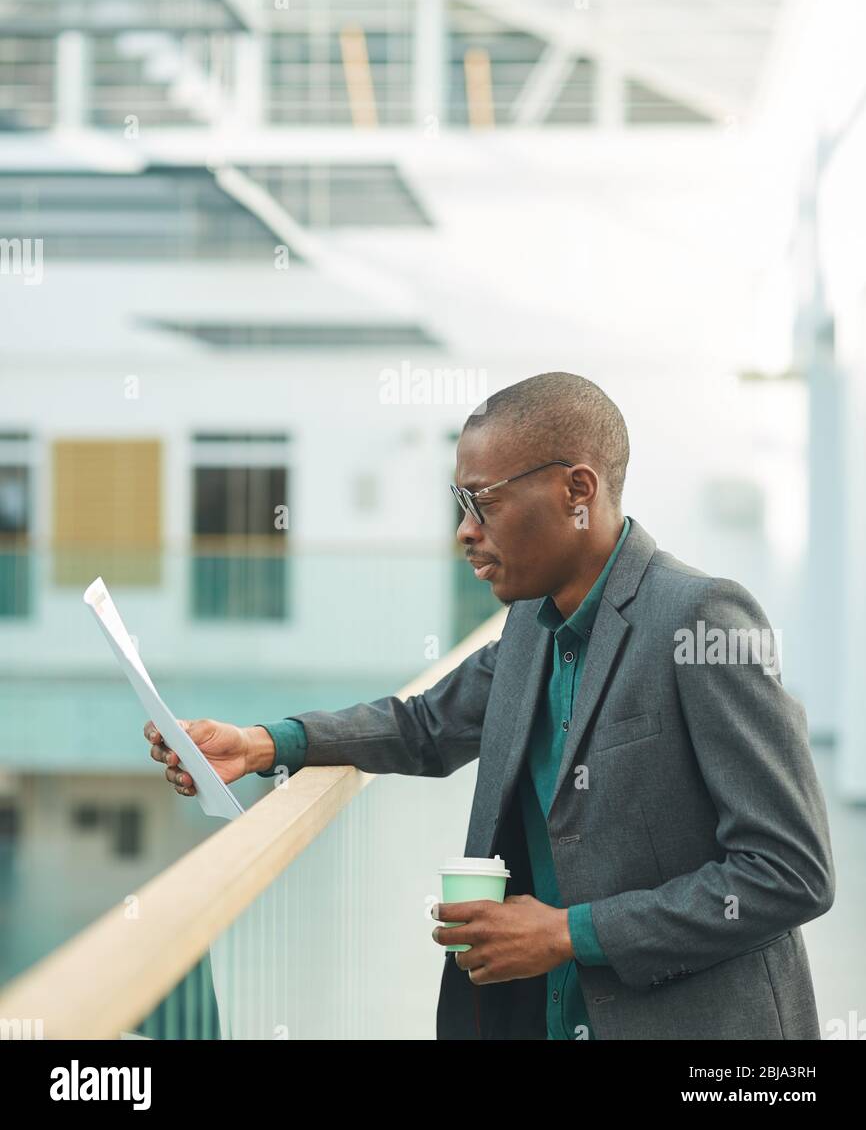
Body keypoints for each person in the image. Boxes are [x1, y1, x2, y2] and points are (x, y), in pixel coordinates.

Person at [145, 371, 835, 1039]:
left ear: (577, 491)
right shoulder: (532, 625)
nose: (464, 531)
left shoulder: (702, 618)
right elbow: (425, 726)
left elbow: (790, 872)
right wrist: (268, 744)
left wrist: (570, 933)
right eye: (459, 504)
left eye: (485, 502)